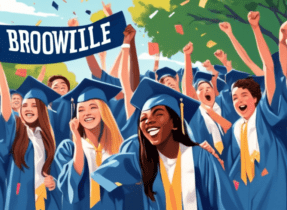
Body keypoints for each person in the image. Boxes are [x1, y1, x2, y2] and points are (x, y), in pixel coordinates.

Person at [92, 78, 243, 210]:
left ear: (175, 123)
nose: (149, 121)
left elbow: (225, 202)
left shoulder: (199, 157)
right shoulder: (141, 162)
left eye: (158, 114)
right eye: (143, 118)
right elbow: (102, 177)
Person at [0, 36, 61, 210]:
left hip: (45, 200)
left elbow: (53, 171)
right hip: (20, 199)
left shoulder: (46, 137)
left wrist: (52, 182)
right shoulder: (16, 130)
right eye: (25, 105)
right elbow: (5, 97)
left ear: (42, 110)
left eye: (34, 105)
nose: (28, 108)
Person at [224, 11, 287, 209]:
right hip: (245, 185)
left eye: (244, 95)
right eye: (235, 97)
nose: (239, 100)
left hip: (271, 180)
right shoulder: (236, 127)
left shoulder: (265, 113)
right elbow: (233, 161)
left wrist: (255, 28)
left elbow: (268, 67)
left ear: (255, 98)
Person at [55, 78, 124, 210]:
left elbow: (123, 189)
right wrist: (77, 136)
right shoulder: (68, 149)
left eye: (93, 107)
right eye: (80, 109)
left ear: (103, 111)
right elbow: (72, 183)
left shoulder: (117, 147)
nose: (86, 113)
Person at [47, 75, 72, 146]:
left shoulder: (73, 104)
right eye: (56, 87)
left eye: (63, 86)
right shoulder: (46, 106)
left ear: (68, 90)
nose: (60, 88)